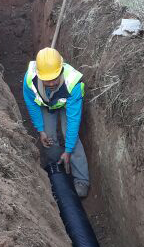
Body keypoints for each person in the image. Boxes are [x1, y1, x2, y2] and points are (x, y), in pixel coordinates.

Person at [22, 47, 90, 197]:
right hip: (46, 105)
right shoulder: (29, 80)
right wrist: (40, 130)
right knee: (49, 137)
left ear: (61, 70)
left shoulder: (74, 84)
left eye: (55, 78)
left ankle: (81, 180)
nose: (52, 83)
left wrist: (68, 150)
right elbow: (31, 104)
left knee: (70, 136)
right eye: (47, 80)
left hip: (67, 105)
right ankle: (56, 168)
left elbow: (73, 121)